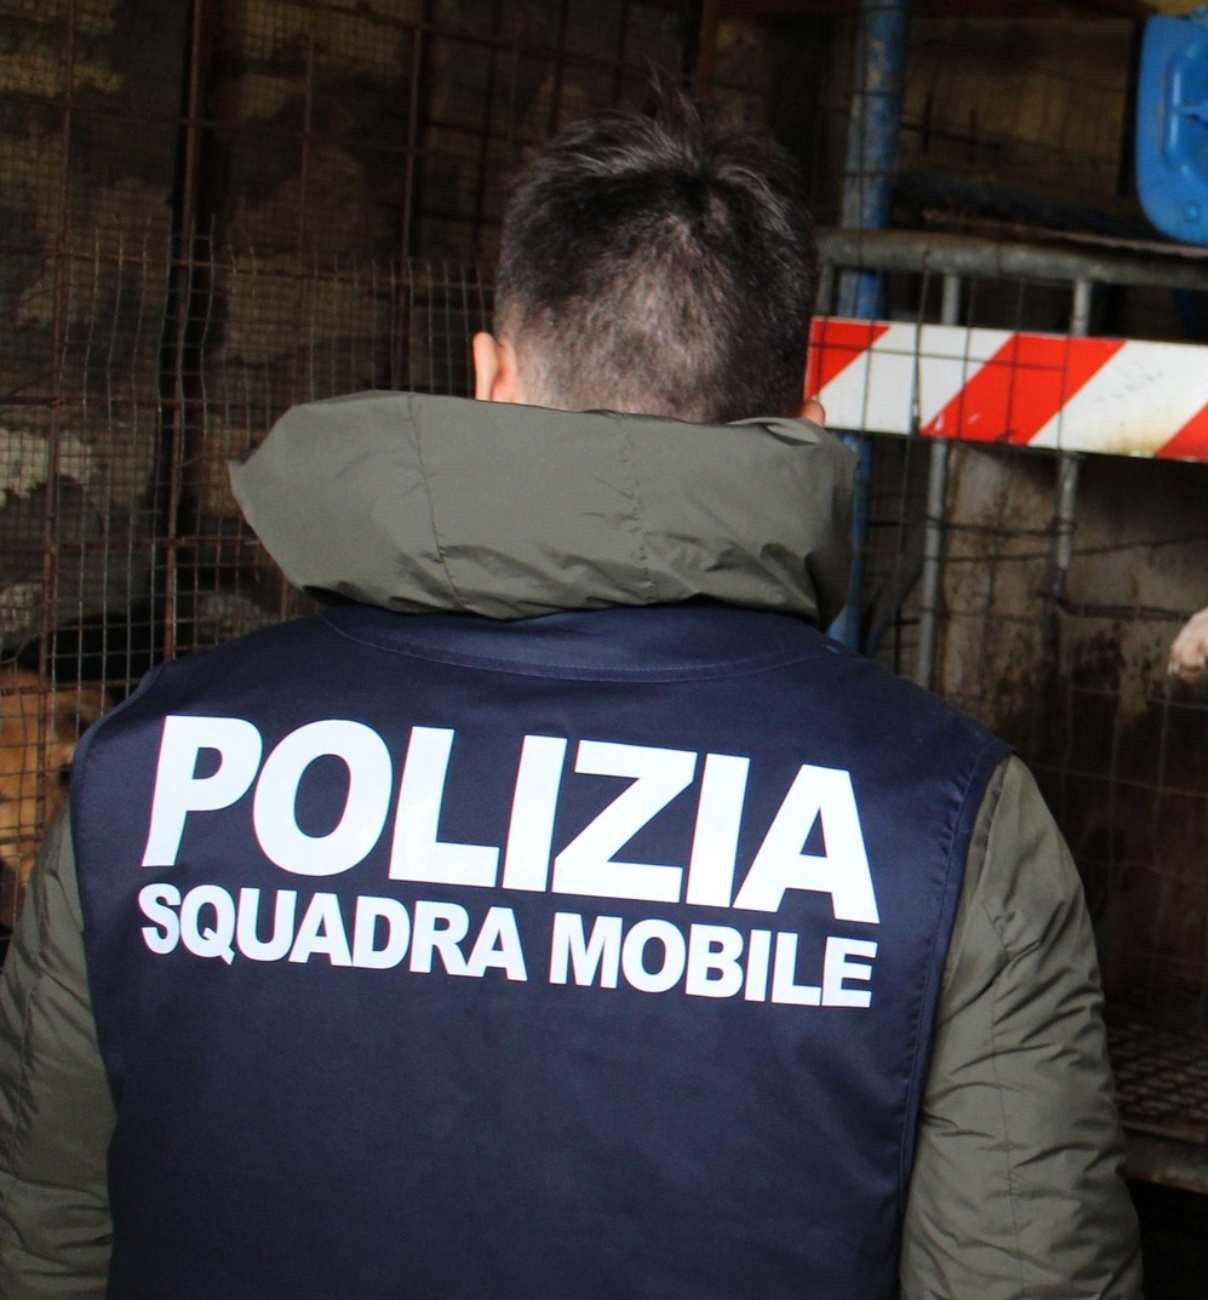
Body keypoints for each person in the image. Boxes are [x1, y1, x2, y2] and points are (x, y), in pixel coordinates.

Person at [0, 95, 1141, 1299]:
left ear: (489, 377)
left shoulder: (151, 766)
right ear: (800, 428)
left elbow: (52, 1238)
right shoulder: (946, 824)